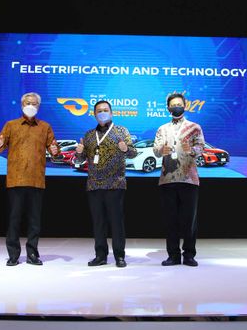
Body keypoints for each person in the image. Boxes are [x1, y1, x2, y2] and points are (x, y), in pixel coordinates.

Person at [0, 92, 58, 266]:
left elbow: (54, 149)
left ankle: (32, 254)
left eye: (34, 104)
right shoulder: (11, 125)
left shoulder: (45, 127)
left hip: (36, 180)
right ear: (22, 105)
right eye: (28, 103)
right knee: (14, 219)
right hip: (16, 179)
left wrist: (54, 150)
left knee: (34, 220)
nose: (31, 106)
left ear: (39, 106)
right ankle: (13, 254)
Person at [74, 100, 137, 268]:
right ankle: (100, 256)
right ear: (94, 114)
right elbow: (80, 160)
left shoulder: (121, 131)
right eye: (99, 111)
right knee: (98, 222)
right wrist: (79, 152)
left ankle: (119, 256)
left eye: (105, 110)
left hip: (115, 183)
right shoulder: (89, 135)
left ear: (111, 112)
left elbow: (133, 153)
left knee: (116, 222)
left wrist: (125, 149)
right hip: (94, 184)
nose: (102, 113)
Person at [152, 92, 205, 267]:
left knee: (189, 220)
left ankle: (189, 255)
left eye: (179, 104)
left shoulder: (194, 127)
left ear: (185, 106)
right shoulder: (162, 129)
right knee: (171, 220)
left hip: (189, 178)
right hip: (167, 179)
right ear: (168, 108)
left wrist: (191, 150)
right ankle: (173, 255)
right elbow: (156, 150)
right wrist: (161, 150)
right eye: (173, 105)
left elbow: (201, 147)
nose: (176, 107)